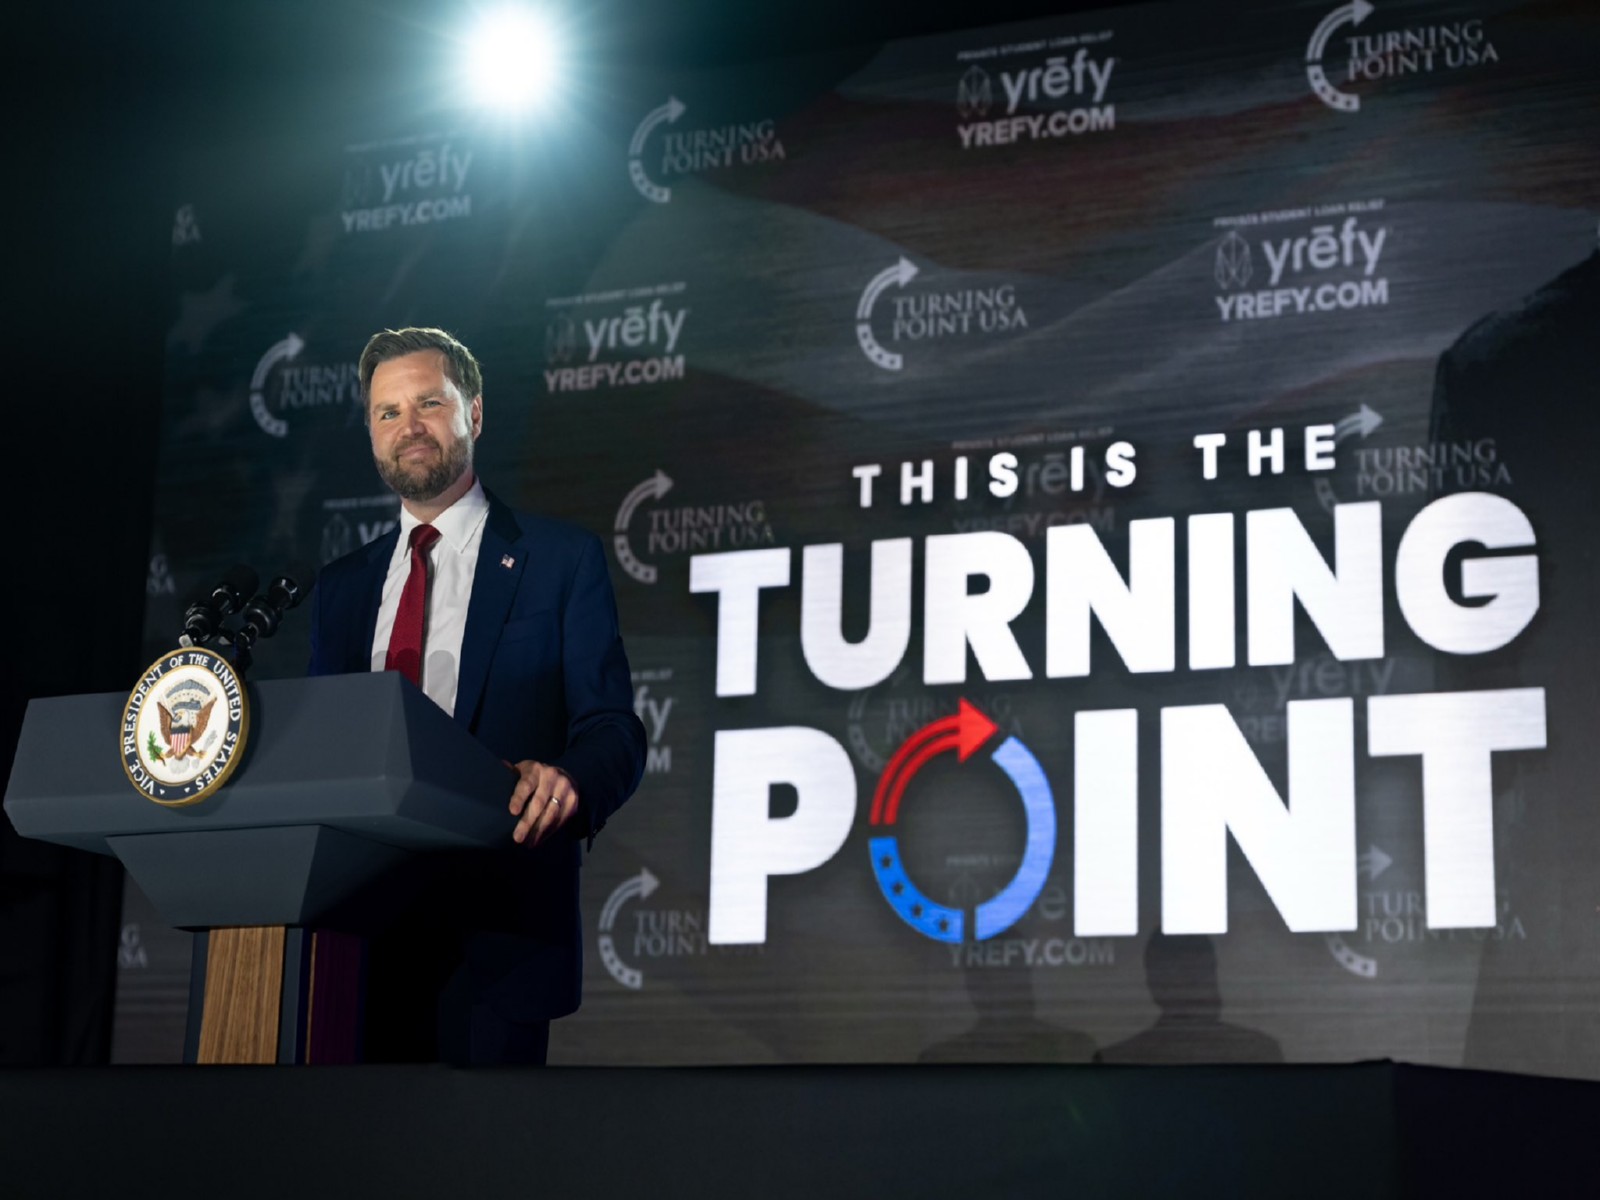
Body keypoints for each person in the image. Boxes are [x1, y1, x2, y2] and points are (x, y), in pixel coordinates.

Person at [307, 326, 646, 1064]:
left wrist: (570, 781)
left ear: (476, 413)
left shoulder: (559, 560)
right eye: (388, 412)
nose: (409, 426)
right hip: (354, 945)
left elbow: (613, 730)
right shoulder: (340, 589)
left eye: (429, 403)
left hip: (497, 938)